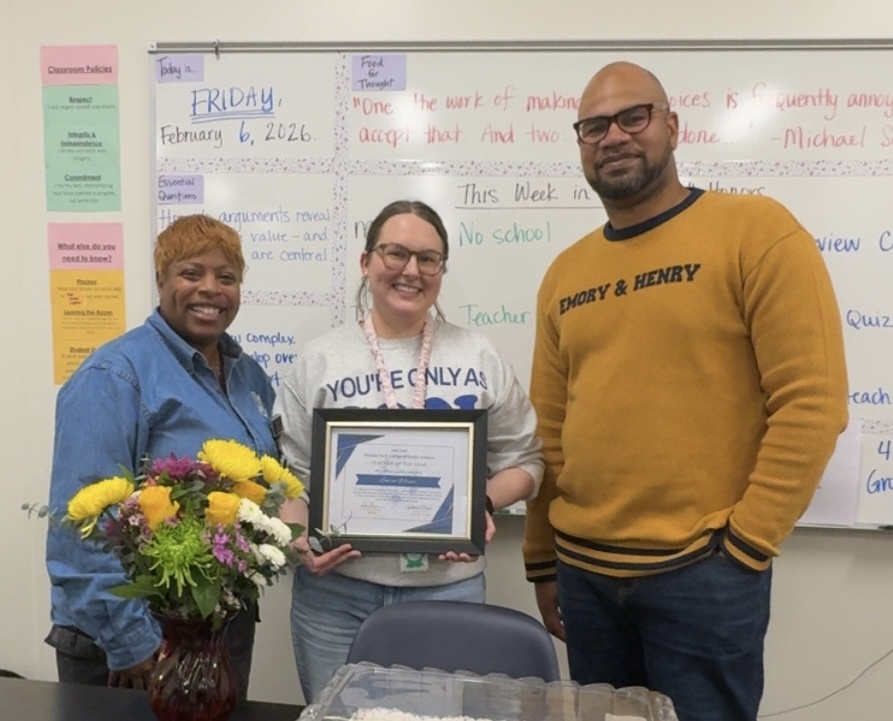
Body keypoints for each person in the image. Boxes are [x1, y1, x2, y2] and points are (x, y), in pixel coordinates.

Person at [522, 62, 849, 721]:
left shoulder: (757, 231)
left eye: (632, 117)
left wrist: (744, 547)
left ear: (672, 126)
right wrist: (542, 560)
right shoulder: (565, 272)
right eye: (593, 126)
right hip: (584, 574)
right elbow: (550, 430)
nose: (613, 136)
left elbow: (811, 403)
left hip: (702, 574)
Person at [275, 199, 544, 702]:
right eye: (395, 253)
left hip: (449, 589)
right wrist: (298, 541)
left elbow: (528, 461)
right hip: (337, 595)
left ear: (442, 269)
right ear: (366, 261)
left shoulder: (479, 355)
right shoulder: (320, 360)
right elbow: (288, 477)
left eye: (428, 258)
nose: (411, 271)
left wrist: (481, 503)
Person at [45, 214, 279, 696]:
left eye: (226, 277)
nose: (210, 288)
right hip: (134, 640)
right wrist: (131, 642)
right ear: (161, 280)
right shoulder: (115, 375)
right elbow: (79, 525)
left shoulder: (249, 377)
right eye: (191, 273)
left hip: (218, 629)